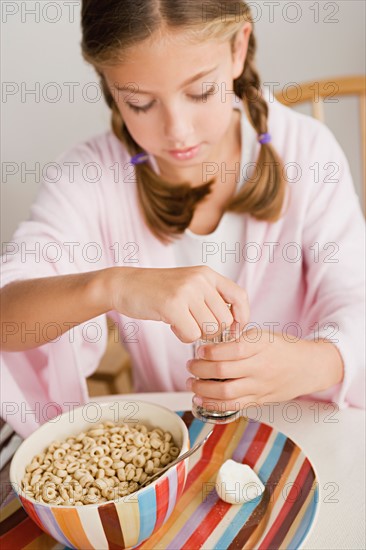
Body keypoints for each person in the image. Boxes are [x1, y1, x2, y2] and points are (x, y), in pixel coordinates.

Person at [1, 0, 365, 437]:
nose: (178, 131)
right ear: (109, 85)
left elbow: (355, 296)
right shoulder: (89, 178)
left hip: (312, 430)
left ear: (238, 48)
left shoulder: (308, 153)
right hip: (182, 446)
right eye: (139, 103)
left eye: (200, 92)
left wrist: (318, 362)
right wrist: (114, 285)